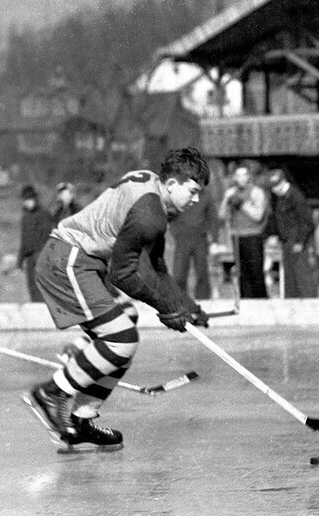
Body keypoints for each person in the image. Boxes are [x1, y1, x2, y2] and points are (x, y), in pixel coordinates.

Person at [26, 147, 211, 451]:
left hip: (80, 261)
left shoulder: (153, 190)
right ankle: (52, 393)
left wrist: (187, 306)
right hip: (67, 260)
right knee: (122, 338)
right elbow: (122, 275)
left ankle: (81, 419)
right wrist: (166, 309)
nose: (196, 200)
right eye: (192, 191)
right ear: (173, 183)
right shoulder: (149, 214)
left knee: (127, 319)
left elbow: (156, 266)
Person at [218, 165, 270, 298]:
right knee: (242, 272)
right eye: (238, 175)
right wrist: (226, 200)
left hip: (253, 235)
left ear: (248, 177)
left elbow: (258, 216)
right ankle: (245, 299)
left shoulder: (256, 192)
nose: (241, 178)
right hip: (237, 236)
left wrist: (242, 204)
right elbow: (222, 216)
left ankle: (261, 299)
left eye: (244, 175)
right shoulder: (231, 192)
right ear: (235, 178)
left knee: (256, 270)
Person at [267, 169, 318, 298]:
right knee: (289, 274)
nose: (275, 190)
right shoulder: (279, 197)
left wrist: (300, 241)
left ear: (284, 181)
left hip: (296, 239)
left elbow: (307, 222)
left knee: (301, 273)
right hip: (286, 240)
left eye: (278, 186)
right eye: (273, 187)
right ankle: (292, 301)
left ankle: (308, 300)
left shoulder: (295, 196)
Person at [169, 186, 218, 299]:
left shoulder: (206, 195)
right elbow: (170, 215)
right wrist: (175, 232)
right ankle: (180, 301)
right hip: (182, 239)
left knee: (202, 274)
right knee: (179, 274)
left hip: (200, 238)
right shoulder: (178, 194)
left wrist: (214, 241)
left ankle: (203, 302)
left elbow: (213, 217)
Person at [17, 184, 54, 302]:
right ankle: (35, 312)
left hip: (40, 254)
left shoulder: (44, 214)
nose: (27, 202)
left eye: (29, 199)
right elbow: (24, 239)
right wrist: (20, 259)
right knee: (31, 287)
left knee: (41, 287)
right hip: (29, 257)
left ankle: (43, 311)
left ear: (34, 199)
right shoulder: (25, 217)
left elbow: (48, 236)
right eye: (25, 200)